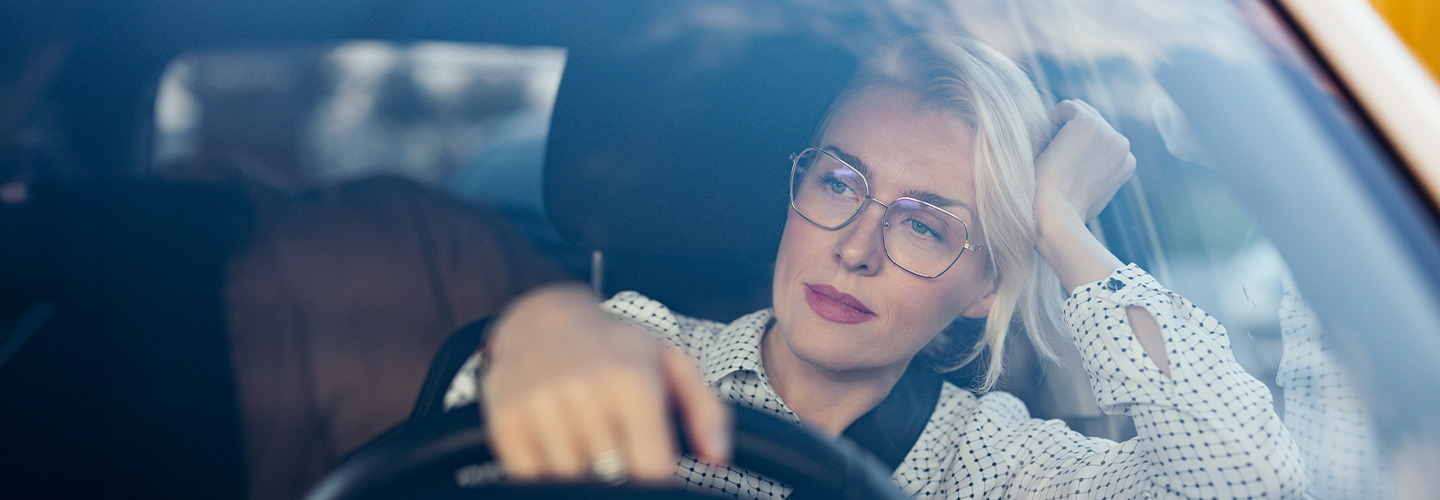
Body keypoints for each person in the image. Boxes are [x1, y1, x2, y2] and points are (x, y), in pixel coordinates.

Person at [441, 34, 1305, 499]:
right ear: (796, 190)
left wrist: (1062, 228)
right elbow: (462, 435)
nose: (854, 246)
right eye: (838, 182)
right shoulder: (635, 349)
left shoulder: (1003, 473)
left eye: (927, 228)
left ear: (987, 288)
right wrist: (529, 331)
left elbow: (1251, 487)